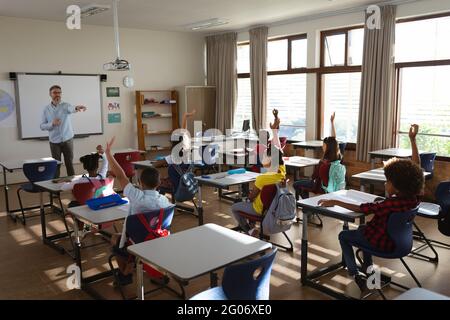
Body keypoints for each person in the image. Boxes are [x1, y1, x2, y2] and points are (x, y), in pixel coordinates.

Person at [318, 124, 424, 293]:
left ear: (396, 187)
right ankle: (368, 269)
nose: (385, 183)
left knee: (344, 235)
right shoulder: (415, 198)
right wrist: (412, 139)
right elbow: (416, 168)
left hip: (384, 243)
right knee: (363, 228)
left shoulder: (388, 204)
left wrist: (336, 202)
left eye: (387, 181)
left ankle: (355, 274)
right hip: (403, 243)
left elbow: (362, 208)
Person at [105, 136, 171, 285]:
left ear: (140, 183)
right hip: (158, 238)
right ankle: (152, 272)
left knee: (116, 239)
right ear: (159, 183)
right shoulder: (165, 201)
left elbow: (121, 174)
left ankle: (125, 274)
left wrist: (108, 154)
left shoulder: (136, 196)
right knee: (127, 238)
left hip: (139, 241)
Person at [231, 113, 286, 236]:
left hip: (260, 209)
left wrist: (246, 199)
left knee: (235, 206)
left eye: (266, 156)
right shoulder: (283, 171)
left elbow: (250, 198)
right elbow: (277, 147)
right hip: (274, 207)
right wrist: (275, 128)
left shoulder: (262, 179)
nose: (263, 159)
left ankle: (249, 230)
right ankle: (252, 225)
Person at [40, 85, 87, 178]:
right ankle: (55, 189)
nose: (57, 95)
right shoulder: (46, 109)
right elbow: (42, 126)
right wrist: (51, 124)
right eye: (55, 93)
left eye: (59, 93)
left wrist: (77, 108)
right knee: (56, 165)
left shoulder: (66, 105)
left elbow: (72, 108)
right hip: (54, 142)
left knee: (69, 163)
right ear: (50, 94)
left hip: (67, 139)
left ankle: (74, 185)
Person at [293, 112, 342, 199]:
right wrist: (332, 122)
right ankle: (307, 206)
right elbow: (334, 139)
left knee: (296, 184)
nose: (322, 146)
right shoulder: (337, 157)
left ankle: (306, 205)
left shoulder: (324, 161)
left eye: (323, 145)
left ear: (327, 147)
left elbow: (314, 176)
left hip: (318, 185)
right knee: (304, 183)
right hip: (329, 186)